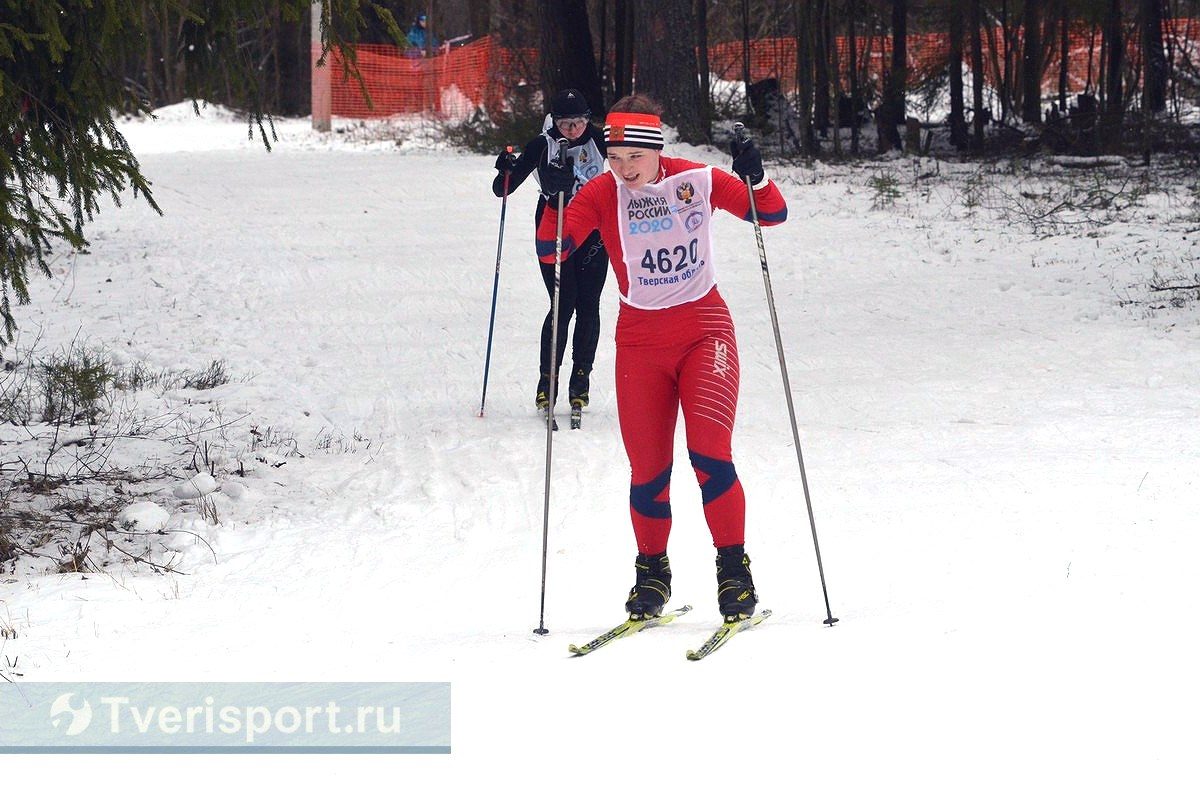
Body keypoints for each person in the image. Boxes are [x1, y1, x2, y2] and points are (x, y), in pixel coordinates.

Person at [533, 94, 788, 623]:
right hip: (641, 344)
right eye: (615, 158)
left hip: (704, 332)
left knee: (709, 455)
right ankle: (652, 571)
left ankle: (733, 570)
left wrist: (756, 178)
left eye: (635, 158)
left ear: (657, 151)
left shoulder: (697, 180)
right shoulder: (603, 193)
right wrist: (553, 201)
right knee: (648, 469)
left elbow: (772, 214)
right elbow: (553, 251)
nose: (625, 170)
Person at [491, 89, 609, 414]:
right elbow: (504, 187)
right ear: (555, 121)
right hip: (553, 228)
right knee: (562, 304)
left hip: (594, 233)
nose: (573, 129)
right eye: (566, 123)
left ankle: (580, 380)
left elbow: (636, 166)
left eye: (580, 122)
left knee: (589, 305)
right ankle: (548, 382)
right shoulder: (542, 144)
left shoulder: (599, 141)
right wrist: (505, 169)